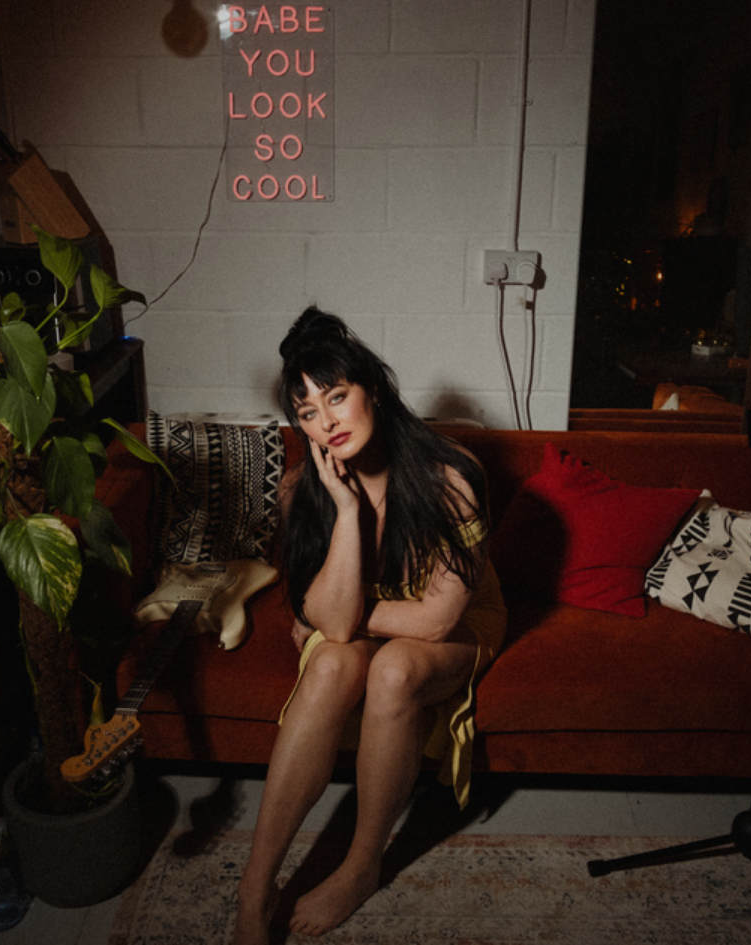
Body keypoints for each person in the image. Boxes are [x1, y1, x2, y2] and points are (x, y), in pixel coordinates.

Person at [235, 308, 506, 943]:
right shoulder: (303, 488)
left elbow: (435, 621)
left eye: (336, 397)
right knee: (332, 663)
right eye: (307, 412)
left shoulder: (452, 477)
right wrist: (346, 511)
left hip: (459, 626)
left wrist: (335, 616)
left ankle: (362, 866)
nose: (326, 421)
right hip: (370, 619)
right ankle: (255, 886)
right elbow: (327, 631)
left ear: (374, 391)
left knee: (394, 669)